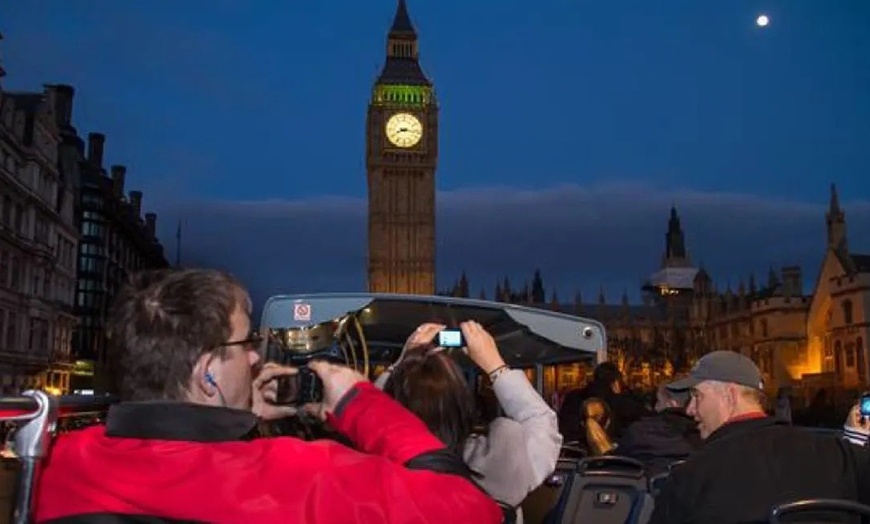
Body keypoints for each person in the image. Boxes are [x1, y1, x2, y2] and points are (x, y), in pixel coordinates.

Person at [34, 269, 502, 524]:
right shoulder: (299, 476)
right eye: (246, 344)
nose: (257, 359)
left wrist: (232, 419)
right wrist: (358, 403)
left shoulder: (54, 461)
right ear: (207, 373)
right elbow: (470, 510)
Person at [650, 350, 870, 524]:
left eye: (697, 396)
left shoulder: (692, 478)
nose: (690, 409)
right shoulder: (841, 456)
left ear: (730, 396)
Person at [376, 321, 562, 523]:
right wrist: (495, 366)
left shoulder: (375, 466)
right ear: (463, 402)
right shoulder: (501, 464)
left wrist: (402, 363)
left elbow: (359, 416)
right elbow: (540, 421)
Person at [616, 384, 701, 476]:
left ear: (672, 404)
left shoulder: (640, 430)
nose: (656, 407)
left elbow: (618, 458)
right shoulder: (703, 433)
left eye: (659, 402)